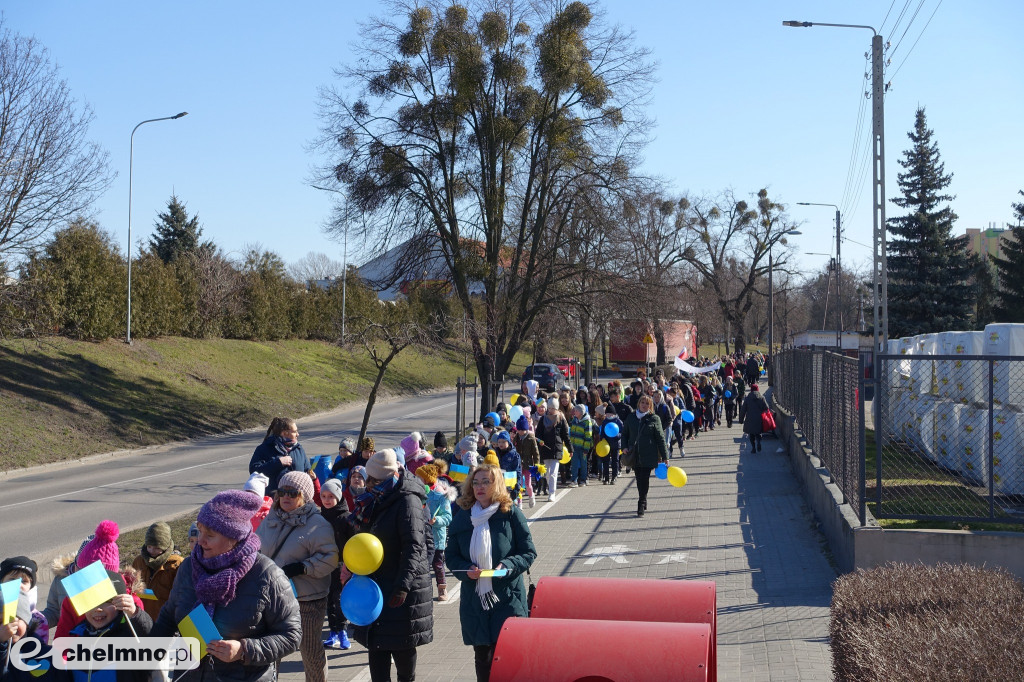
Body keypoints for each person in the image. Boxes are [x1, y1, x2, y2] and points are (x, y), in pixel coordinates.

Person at [152, 490, 301, 682]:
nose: (201, 540)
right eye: (200, 530)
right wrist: (146, 659)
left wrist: (244, 650)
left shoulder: (266, 574)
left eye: (210, 535)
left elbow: (291, 635)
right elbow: (168, 616)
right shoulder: (189, 567)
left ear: (234, 539)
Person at [347, 449, 433, 682]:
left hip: (401, 587)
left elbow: (416, 545)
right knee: (377, 645)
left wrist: (403, 585)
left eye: (373, 480)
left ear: (386, 478)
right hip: (374, 583)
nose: (369, 484)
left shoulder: (407, 500)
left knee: (402, 648)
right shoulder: (375, 498)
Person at [446, 463, 537, 682]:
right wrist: (466, 569)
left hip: (507, 597)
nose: (480, 487)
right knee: (483, 659)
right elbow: (451, 556)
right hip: (475, 600)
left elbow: (528, 552)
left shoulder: (510, 513)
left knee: (509, 658)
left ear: (496, 484)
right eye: (476, 482)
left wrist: (506, 566)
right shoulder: (463, 516)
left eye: (486, 481)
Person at [256, 471, 338, 682]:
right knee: (270, 651)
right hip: (273, 599)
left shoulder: (317, 524)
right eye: (282, 491)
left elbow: (330, 558)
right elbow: (256, 551)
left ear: (305, 496)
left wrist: (303, 568)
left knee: (310, 652)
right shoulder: (270, 519)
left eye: (293, 493)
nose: (286, 496)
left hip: (307, 601)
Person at [319, 478, 352, 650]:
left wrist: (349, 565)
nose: (326, 500)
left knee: (340, 599)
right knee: (328, 600)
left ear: (338, 497)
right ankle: (333, 631)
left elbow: (352, 543)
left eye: (331, 496)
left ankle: (343, 631)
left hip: (342, 565)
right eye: (323, 496)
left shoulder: (346, 518)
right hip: (324, 565)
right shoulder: (319, 518)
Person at [621, 395, 668, 517]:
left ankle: (641, 502)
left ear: (650, 406)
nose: (644, 405)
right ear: (638, 404)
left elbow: (660, 438)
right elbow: (624, 434)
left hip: (649, 454)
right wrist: (624, 447)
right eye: (642, 402)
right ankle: (643, 498)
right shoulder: (631, 417)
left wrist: (665, 456)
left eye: (647, 403)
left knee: (645, 478)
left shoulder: (654, 418)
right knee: (638, 478)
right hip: (635, 454)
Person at [415, 464, 454, 601]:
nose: (417, 479)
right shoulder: (418, 492)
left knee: (437, 564)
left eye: (420, 477)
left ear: (427, 479)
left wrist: (437, 519)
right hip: (422, 535)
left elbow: (448, 517)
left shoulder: (440, 494)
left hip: (437, 536)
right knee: (423, 565)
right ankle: (425, 591)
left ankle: (442, 588)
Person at [131, 521, 183, 621]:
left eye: (157, 548)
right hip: (142, 617)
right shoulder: (139, 561)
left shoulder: (176, 565)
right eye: (149, 546)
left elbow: (181, 596)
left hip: (165, 620)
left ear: (166, 547)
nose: (151, 551)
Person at [249, 417, 312, 496]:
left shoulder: (298, 448)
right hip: (274, 500)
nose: (298, 434)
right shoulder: (264, 448)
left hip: (298, 499)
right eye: (295, 431)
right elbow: (254, 471)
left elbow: (307, 470)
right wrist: (278, 462)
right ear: (284, 433)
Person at [535, 397, 570, 500]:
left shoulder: (561, 419)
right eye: (549, 408)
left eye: (552, 408)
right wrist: (539, 441)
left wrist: (570, 449)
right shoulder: (543, 419)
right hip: (545, 449)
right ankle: (549, 488)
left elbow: (565, 435)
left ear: (556, 408)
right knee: (546, 473)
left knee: (553, 473)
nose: (550, 410)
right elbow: (538, 434)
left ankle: (552, 493)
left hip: (556, 449)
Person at [568, 404, 593, 488]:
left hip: (582, 448)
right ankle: (574, 480)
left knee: (583, 464)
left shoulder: (587, 422)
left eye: (576, 411)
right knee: (574, 463)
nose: (574, 412)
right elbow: (571, 432)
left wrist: (586, 449)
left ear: (581, 412)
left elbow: (588, 436)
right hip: (574, 446)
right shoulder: (574, 420)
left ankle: (583, 479)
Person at [739, 383, 770, 453]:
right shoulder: (762, 398)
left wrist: (741, 420)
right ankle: (759, 442)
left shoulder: (747, 398)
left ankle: (753, 448)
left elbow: (743, 410)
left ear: (751, 390)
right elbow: (766, 408)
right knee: (758, 433)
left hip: (750, 419)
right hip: (759, 419)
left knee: (751, 434)